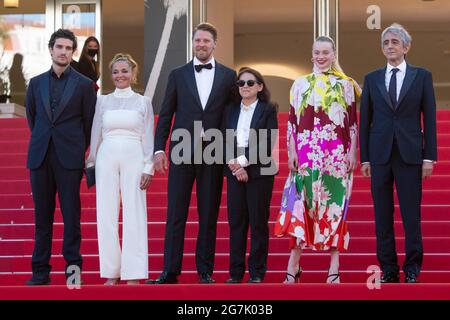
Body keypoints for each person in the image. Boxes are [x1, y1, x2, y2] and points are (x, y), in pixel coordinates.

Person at [147, 22, 236, 284]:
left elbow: (231, 117)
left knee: (208, 214)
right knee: (176, 213)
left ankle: (204, 271)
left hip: (214, 153)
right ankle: (170, 271)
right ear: (193, 43)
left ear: (214, 44)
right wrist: (158, 148)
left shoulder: (229, 76)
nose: (202, 45)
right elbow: (166, 114)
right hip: (181, 152)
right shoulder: (177, 74)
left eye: (206, 41)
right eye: (198, 40)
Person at [274, 36, 360, 284]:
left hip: (336, 155)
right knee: (301, 206)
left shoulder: (346, 85)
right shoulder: (299, 84)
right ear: (311, 55)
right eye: (317, 52)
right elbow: (291, 122)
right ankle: (294, 263)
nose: (321, 57)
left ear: (334, 55)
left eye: (325, 52)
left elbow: (352, 122)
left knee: (335, 208)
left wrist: (352, 151)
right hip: (305, 154)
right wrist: (291, 152)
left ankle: (334, 266)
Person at [359, 23, 437, 283]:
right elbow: (365, 118)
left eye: (394, 42)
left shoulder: (422, 76)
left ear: (406, 47)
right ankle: (389, 269)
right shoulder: (371, 78)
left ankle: (412, 267)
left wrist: (429, 157)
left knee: (410, 215)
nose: (390, 46)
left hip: (411, 155)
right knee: (382, 216)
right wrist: (365, 157)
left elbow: (431, 117)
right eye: (386, 43)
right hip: (380, 155)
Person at [25, 29, 97, 285]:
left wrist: (77, 149)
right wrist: (45, 141)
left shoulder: (84, 85)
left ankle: (73, 272)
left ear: (73, 52)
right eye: (59, 47)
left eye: (68, 48)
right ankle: (40, 272)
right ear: (51, 49)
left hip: (69, 158)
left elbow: (90, 125)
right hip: (40, 157)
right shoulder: (35, 83)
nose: (64, 51)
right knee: (41, 217)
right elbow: (33, 119)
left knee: (71, 217)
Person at [86, 53, 154, 285]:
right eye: (115, 72)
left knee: (134, 211)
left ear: (133, 74)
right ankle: (111, 272)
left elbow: (148, 136)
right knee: (105, 214)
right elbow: (96, 132)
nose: (119, 75)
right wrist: (91, 161)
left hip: (134, 155)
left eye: (124, 71)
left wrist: (149, 166)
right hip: (106, 156)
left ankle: (134, 273)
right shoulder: (102, 101)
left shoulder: (143, 102)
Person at [223, 67, 278, 284]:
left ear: (259, 86)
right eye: (241, 83)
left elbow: (266, 142)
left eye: (250, 83)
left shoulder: (268, 109)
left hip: (259, 172)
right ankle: (236, 273)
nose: (245, 87)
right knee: (236, 222)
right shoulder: (230, 110)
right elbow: (223, 137)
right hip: (234, 170)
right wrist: (235, 167)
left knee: (257, 222)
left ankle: (256, 272)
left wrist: (243, 164)